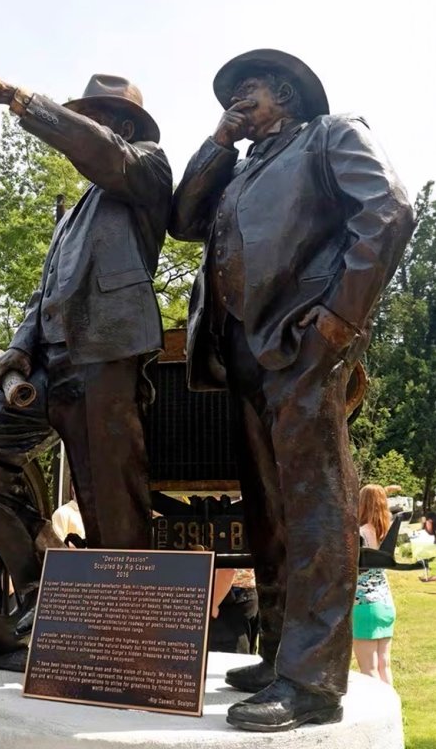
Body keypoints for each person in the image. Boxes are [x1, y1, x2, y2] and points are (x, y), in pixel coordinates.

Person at [170, 49, 414, 731]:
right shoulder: (241, 168)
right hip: (243, 352)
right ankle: (279, 648)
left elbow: (389, 211)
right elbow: (184, 219)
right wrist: (219, 143)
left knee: (314, 510)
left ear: (285, 95)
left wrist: (339, 319)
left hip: (305, 343)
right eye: (230, 97)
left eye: (248, 92)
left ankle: (310, 683)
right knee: (269, 513)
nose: (236, 104)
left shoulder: (331, 135)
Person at [0, 61, 172, 633]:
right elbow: (46, 295)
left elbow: (99, 152)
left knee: (110, 505)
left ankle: (128, 631)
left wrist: (17, 98)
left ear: (123, 126)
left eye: (91, 119)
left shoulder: (146, 171)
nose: (79, 127)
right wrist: (19, 348)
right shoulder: (73, 215)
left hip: (105, 358)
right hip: (47, 368)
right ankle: (44, 580)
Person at [353, 484, 397, 686]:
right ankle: (392, 711)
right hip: (385, 602)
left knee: (368, 669)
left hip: (364, 605)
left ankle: (377, 713)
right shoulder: (388, 533)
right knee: (384, 666)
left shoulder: (360, 534)